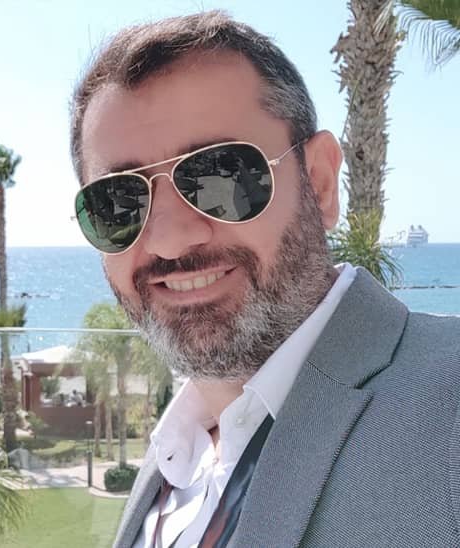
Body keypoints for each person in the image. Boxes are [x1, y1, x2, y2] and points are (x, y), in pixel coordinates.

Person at [69, 11, 460, 548]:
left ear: (319, 183)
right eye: (118, 201)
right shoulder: (176, 450)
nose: (170, 240)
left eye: (221, 176)